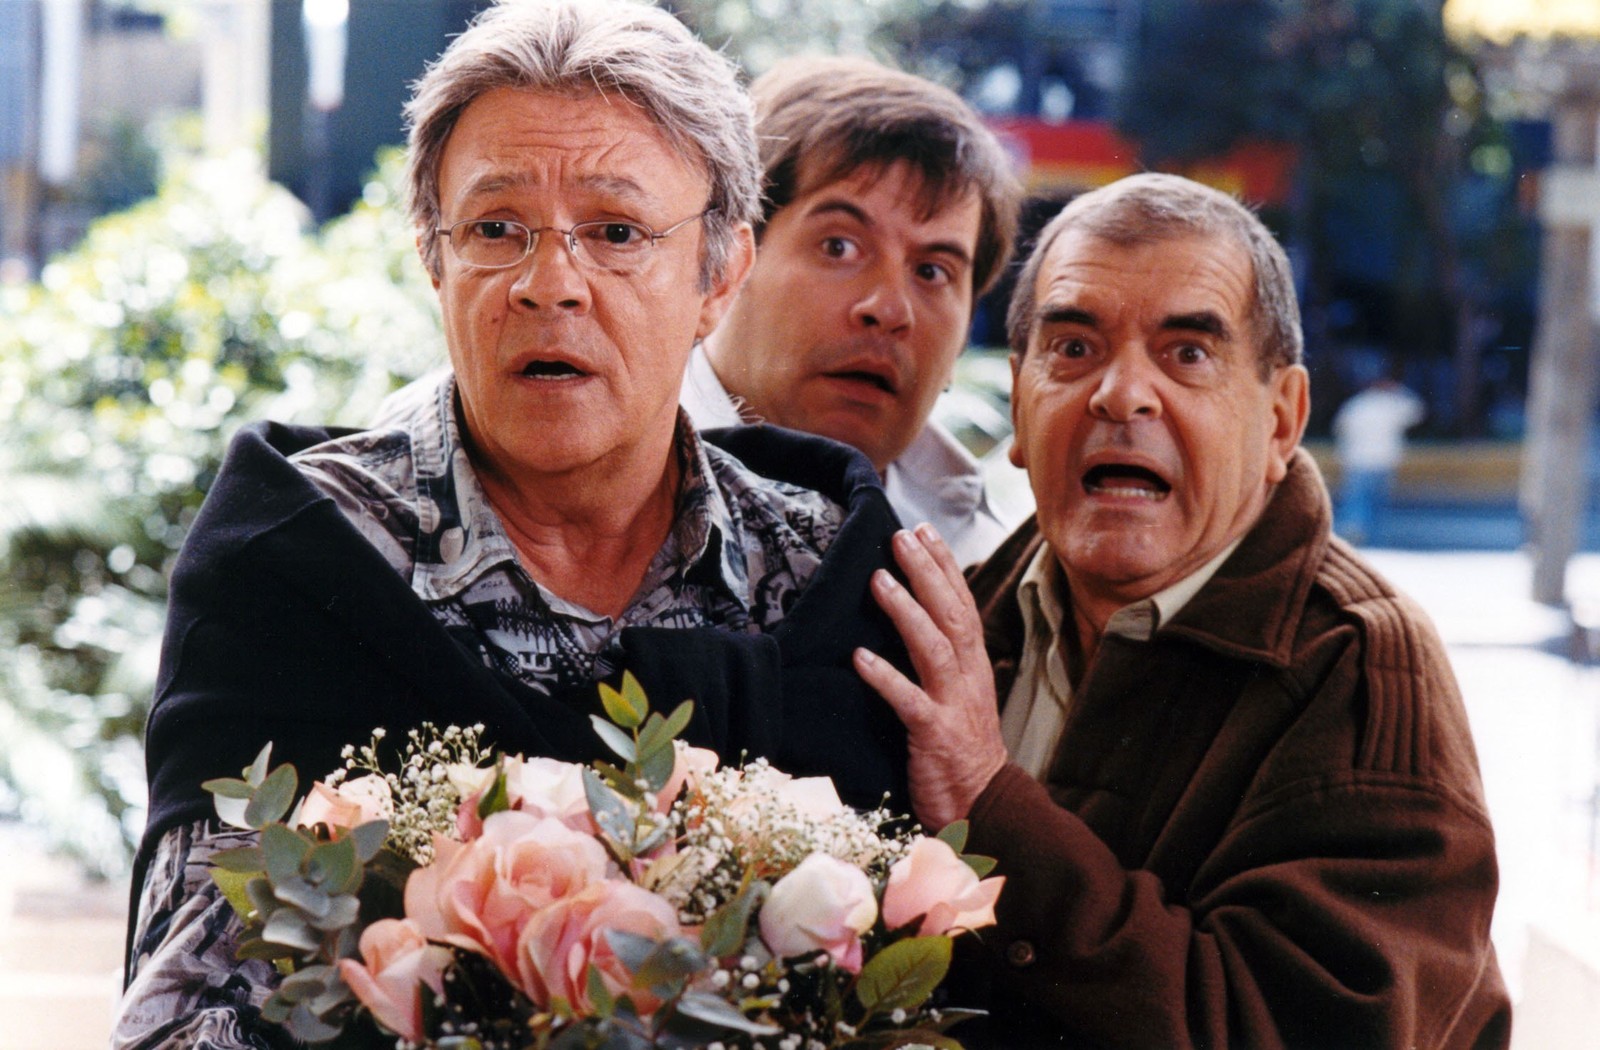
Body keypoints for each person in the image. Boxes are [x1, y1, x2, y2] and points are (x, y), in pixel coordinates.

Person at [114, 2, 912, 1045]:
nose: (549, 285)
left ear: (719, 275)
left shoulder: (813, 567)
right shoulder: (306, 554)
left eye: (616, 233)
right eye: (496, 230)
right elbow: (189, 1006)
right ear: (433, 257)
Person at [853, 173, 1510, 1048]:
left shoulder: (1359, 666)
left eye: (1188, 354)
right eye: (1074, 347)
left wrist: (990, 803)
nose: (1122, 395)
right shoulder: (959, 617)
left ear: (1282, 421)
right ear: (1018, 401)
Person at [680, 56, 1025, 567]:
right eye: (839, 247)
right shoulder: (598, 487)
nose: (889, 309)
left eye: (932, 271)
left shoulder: (992, 566)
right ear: (729, 266)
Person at [1332, 371, 1426, 545]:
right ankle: (1373, 538)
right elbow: (1417, 411)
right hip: (1381, 461)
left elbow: (1340, 428)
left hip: (1357, 460)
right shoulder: (1391, 404)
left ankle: (1353, 535)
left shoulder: (1355, 405)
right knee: (1376, 502)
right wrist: (1400, 391)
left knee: (1356, 500)